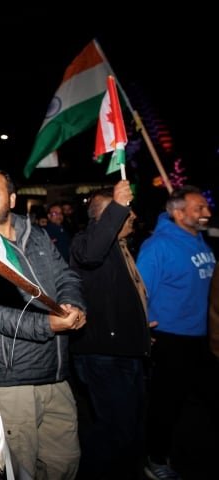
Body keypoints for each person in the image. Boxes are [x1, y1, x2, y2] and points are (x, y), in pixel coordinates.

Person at [0, 168, 86, 479]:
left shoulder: (35, 235)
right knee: (19, 469)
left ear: (11, 198)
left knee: (64, 463)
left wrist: (74, 304)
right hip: (11, 382)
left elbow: (66, 276)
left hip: (57, 376)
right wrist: (46, 325)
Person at [69, 181, 151, 479]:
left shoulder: (122, 248)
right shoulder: (83, 244)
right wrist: (117, 205)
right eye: (124, 213)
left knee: (130, 426)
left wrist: (139, 323)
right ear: (106, 217)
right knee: (114, 429)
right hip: (102, 355)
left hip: (126, 351)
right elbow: (93, 253)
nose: (132, 217)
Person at [136, 185, 216, 479]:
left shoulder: (199, 240)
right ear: (179, 213)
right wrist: (144, 328)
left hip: (202, 337)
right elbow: (139, 291)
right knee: (165, 404)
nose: (207, 213)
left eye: (206, 207)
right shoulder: (159, 247)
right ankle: (155, 459)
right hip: (170, 339)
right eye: (199, 209)